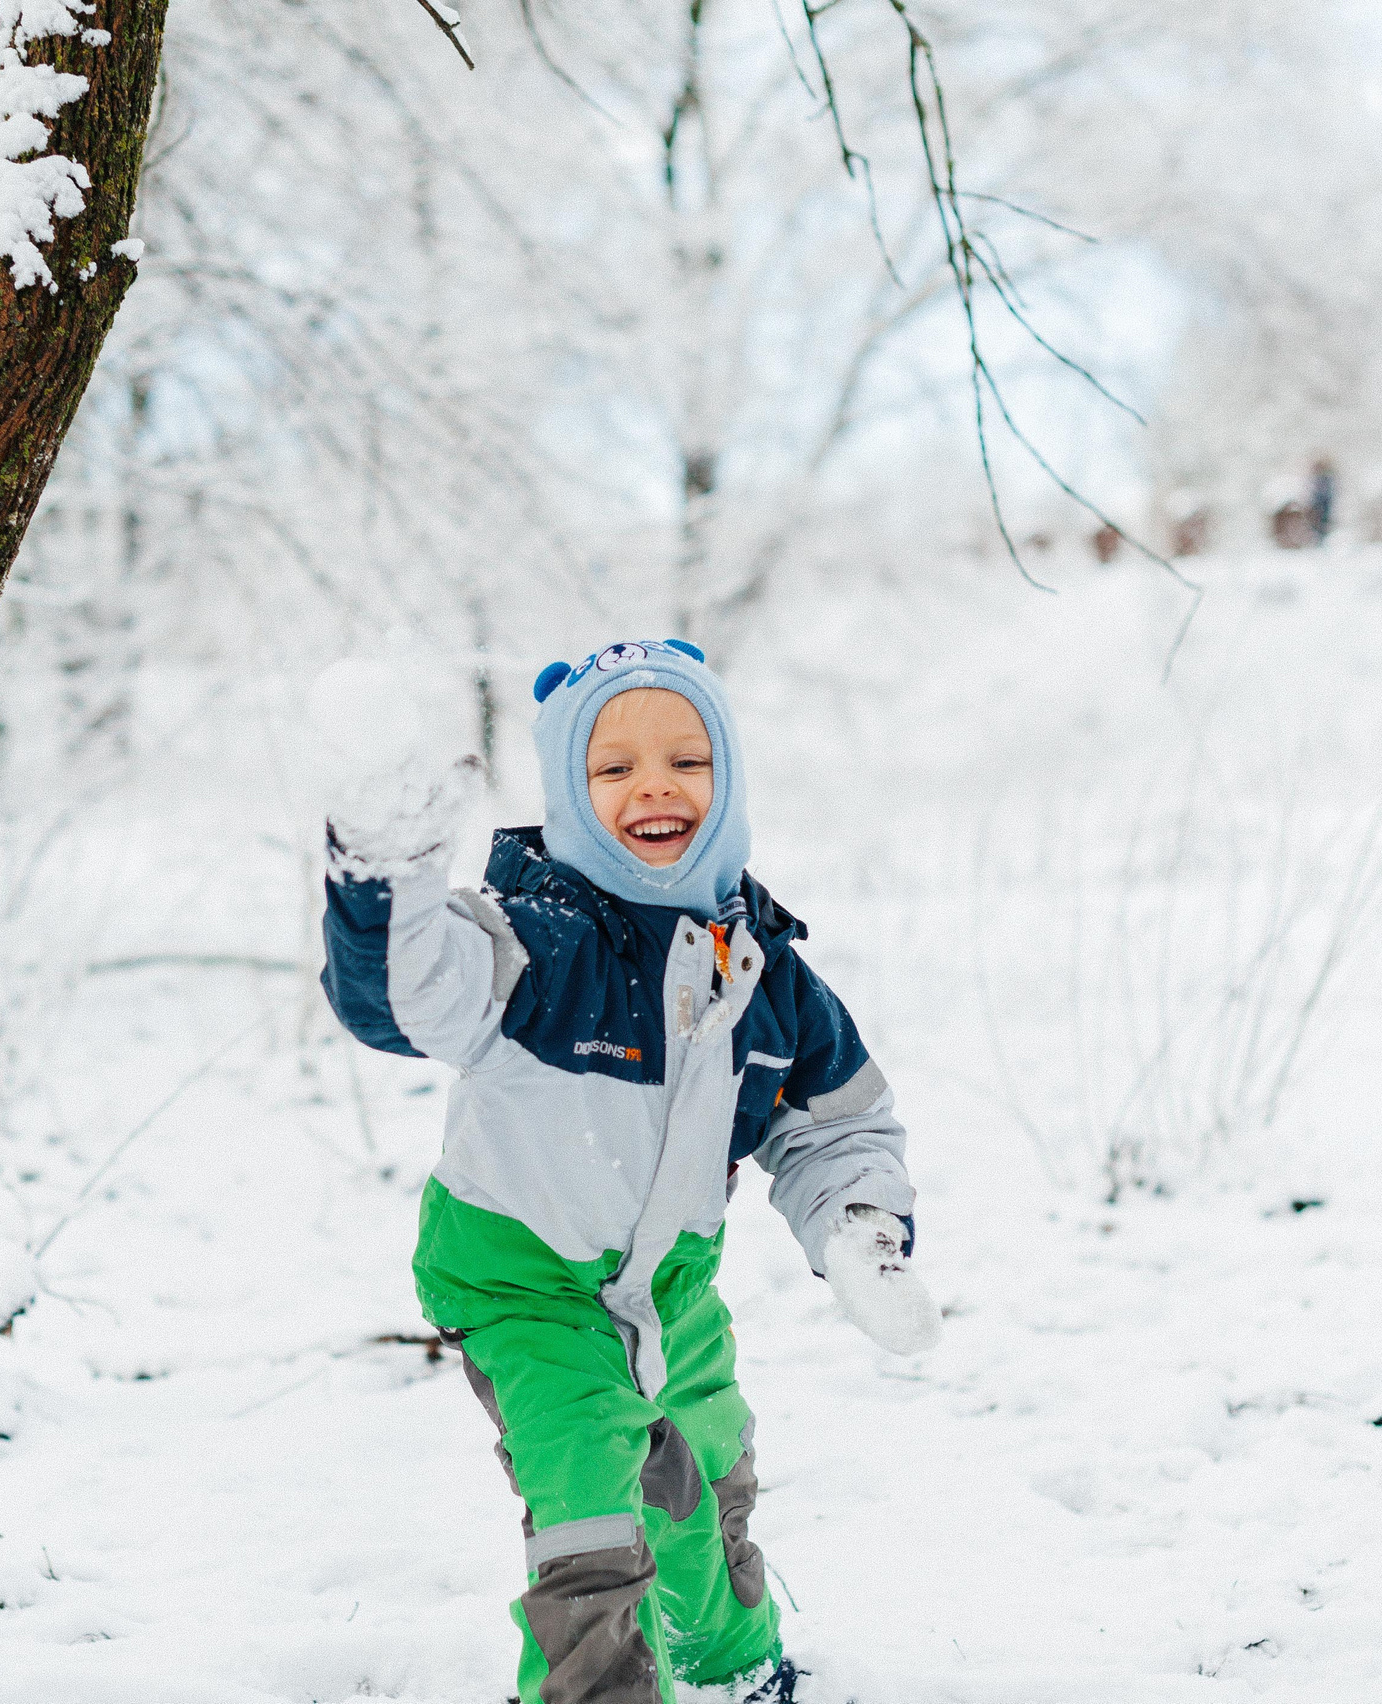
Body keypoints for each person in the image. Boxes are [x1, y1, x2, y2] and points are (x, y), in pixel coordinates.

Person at [318, 640, 940, 1704]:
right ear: (569, 793)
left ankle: (730, 1671)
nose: (654, 786)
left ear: (728, 780)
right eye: (613, 768)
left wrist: (858, 1229)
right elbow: (401, 992)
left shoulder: (761, 970)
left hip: (671, 1287)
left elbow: (836, 1124)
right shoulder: (537, 949)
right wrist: (387, 865)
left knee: (708, 1477)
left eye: (686, 762)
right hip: (526, 1287)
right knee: (591, 1515)